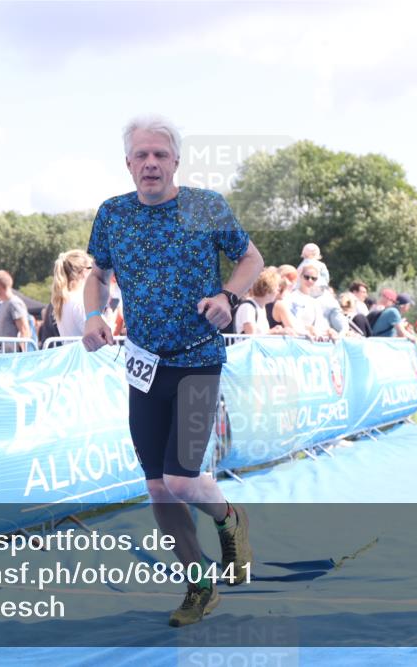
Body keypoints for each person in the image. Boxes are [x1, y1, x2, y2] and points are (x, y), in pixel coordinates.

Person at [82, 115, 263, 627]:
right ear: (128, 163)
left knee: (181, 481)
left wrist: (228, 297)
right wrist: (94, 315)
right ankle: (199, 584)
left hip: (198, 360)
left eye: (160, 154)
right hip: (143, 364)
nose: (151, 163)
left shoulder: (205, 207)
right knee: (158, 488)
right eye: (141, 155)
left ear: (176, 161)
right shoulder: (113, 214)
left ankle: (230, 518)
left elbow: (251, 259)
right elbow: (98, 275)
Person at [52, 249, 94, 337]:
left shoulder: (63, 300)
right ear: (84, 272)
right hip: (85, 346)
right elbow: (97, 336)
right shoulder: (81, 301)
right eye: (91, 267)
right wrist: (110, 315)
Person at [0, 269, 30, 352]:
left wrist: (22, 354)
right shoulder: (4, 303)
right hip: (3, 353)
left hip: (12, 355)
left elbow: (24, 330)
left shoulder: (14, 303)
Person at [233, 267, 281, 335]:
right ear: (268, 290)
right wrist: (274, 332)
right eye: (277, 289)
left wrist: (274, 331)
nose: (278, 292)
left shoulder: (260, 307)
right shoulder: (248, 307)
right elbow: (250, 335)